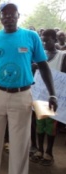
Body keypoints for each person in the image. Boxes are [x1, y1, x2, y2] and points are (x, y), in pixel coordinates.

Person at [0, 2, 57, 174]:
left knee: (20, 144)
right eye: (5, 14)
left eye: (12, 14)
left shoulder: (31, 37)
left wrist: (53, 93)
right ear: (0, 18)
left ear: (18, 16)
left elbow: (43, 66)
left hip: (22, 96)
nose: (9, 17)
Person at [30, 29, 66, 166]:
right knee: (40, 123)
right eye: (43, 40)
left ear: (55, 40)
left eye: (48, 40)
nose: (44, 43)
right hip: (40, 95)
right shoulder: (41, 55)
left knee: (51, 124)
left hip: (54, 97)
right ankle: (40, 149)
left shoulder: (62, 57)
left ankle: (49, 152)